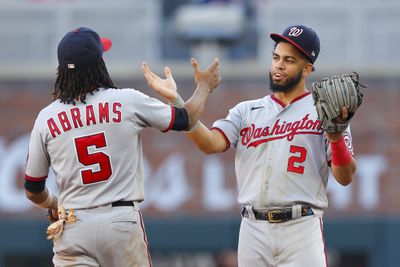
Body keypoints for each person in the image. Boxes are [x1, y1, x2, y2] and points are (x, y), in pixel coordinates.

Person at [143, 24, 357, 267]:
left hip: (301, 226)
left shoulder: (324, 111)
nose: (279, 65)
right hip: (253, 228)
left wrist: (336, 136)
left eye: (289, 60)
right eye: (276, 57)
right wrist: (177, 101)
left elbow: (345, 176)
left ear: (307, 68)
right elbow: (210, 144)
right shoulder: (247, 110)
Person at [24, 26, 220, 267]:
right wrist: (204, 87)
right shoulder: (125, 100)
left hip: (73, 224)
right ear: (98, 65)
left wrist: (54, 204)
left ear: (61, 70)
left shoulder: (47, 117)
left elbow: (33, 188)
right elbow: (185, 119)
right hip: (120, 222)